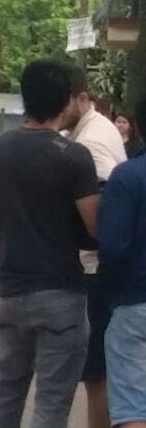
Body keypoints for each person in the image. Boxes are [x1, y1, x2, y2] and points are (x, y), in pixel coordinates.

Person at [0, 59, 100, 428]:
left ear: (26, 100)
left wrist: (16, 215)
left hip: (9, 290)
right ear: (66, 103)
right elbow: (95, 225)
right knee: (51, 402)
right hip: (60, 292)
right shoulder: (75, 157)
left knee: (6, 389)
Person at [62, 68, 128, 428]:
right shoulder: (95, 128)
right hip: (103, 267)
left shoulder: (90, 142)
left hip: (95, 269)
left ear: (83, 99)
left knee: (96, 373)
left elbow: (101, 205)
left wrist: (86, 234)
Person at [98, 98, 146, 428]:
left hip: (135, 303)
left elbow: (112, 248)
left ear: (137, 126)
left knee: (132, 408)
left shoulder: (127, 177)